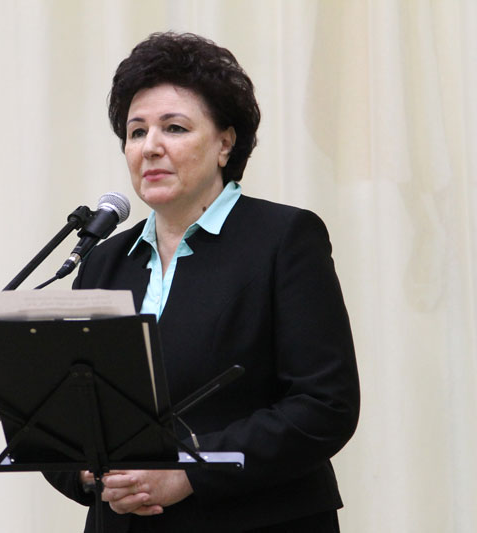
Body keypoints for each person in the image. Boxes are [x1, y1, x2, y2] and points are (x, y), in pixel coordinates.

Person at [45, 32, 360, 532]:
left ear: (224, 144)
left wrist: (190, 471)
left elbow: (324, 406)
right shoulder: (104, 261)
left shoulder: (283, 239)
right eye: (136, 132)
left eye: (174, 128)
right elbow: (64, 415)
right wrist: (88, 472)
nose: (150, 147)